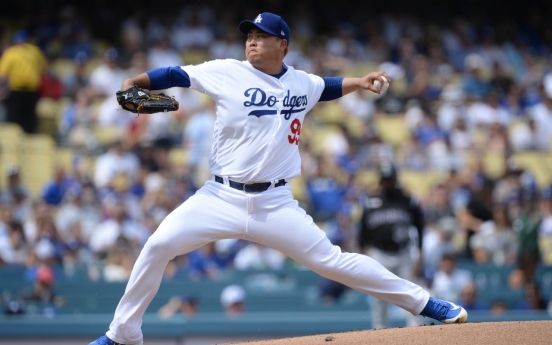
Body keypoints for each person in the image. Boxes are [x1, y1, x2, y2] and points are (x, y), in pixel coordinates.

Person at [89, 12, 467, 345]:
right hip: (219, 197)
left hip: (275, 204)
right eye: (249, 35)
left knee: (334, 262)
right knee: (158, 245)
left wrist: (360, 81)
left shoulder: (301, 83)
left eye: (261, 35)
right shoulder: (227, 71)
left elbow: (327, 86)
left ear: (282, 44)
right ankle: (122, 334)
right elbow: (175, 74)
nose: (252, 40)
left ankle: (427, 303)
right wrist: (133, 81)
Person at [357, 163, 426, 328]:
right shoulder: (370, 202)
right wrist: (363, 254)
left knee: (412, 293)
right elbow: (363, 232)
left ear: (396, 180)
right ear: (381, 181)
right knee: (378, 297)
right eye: (385, 180)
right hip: (379, 254)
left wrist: (420, 255)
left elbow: (420, 228)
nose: (388, 183)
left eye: (391, 179)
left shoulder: (408, 201)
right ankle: (380, 331)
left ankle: (416, 331)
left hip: (404, 254)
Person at [0, 30, 48, 134]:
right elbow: (2, 75)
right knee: (15, 120)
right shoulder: (11, 52)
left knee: (28, 120)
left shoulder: (34, 51)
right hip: (16, 91)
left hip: (31, 91)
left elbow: (43, 68)